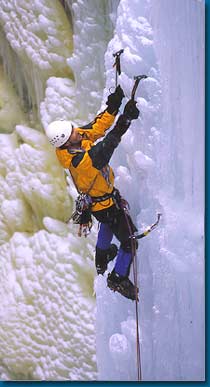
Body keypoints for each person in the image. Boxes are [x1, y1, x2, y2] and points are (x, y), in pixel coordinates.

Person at [46, 85, 139, 300]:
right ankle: (118, 278)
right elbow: (109, 143)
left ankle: (101, 256)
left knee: (106, 223)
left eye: (74, 129)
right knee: (130, 242)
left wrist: (113, 107)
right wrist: (125, 119)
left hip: (100, 205)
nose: (78, 130)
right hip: (105, 206)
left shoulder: (71, 144)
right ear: (67, 142)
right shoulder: (82, 162)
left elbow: (97, 128)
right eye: (74, 132)